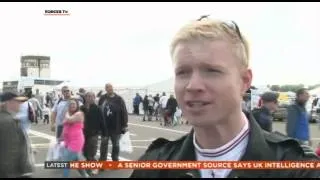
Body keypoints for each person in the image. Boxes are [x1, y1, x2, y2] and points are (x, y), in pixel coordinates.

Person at [130, 16, 320, 178]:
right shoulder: (153, 167)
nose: (193, 85)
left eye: (211, 71)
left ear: (244, 81)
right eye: (183, 72)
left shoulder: (297, 168)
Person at [0, 92, 34, 178]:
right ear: (8, 102)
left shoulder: (6, 118)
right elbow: (12, 151)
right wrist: (26, 171)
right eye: (17, 101)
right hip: (11, 172)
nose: (20, 104)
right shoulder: (10, 122)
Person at [99, 83, 128, 163]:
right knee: (104, 145)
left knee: (116, 144)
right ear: (106, 89)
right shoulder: (102, 98)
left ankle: (115, 160)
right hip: (105, 127)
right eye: (107, 87)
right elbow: (99, 110)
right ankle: (102, 161)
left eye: (110, 87)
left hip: (116, 126)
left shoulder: (119, 99)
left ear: (113, 88)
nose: (109, 89)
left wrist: (124, 124)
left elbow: (124, 112)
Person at [62, 98, 89, 178]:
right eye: (70, 104)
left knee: (68, 158)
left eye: (74, 104)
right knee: (76, 160)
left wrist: (66, 113)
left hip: (77, 140)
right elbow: (65, 125)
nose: (72, 105)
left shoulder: (79, 113)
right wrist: (62, 138)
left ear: (77, 105)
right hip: (68, 140)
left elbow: (70, 120)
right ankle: (84, 174)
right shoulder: (68, 114)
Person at [80, 92, 105, 176]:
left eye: (91, 96)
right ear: (85, 98)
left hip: (93, 134)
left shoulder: (98, 108)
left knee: (90, 153)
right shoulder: (82, 108)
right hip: (83, 134)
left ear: (94, 98)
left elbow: (102, 121)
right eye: (87, 96)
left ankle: (91, 169)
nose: (89, 98)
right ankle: (90, 168)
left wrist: (104, 134)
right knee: (85, 153)